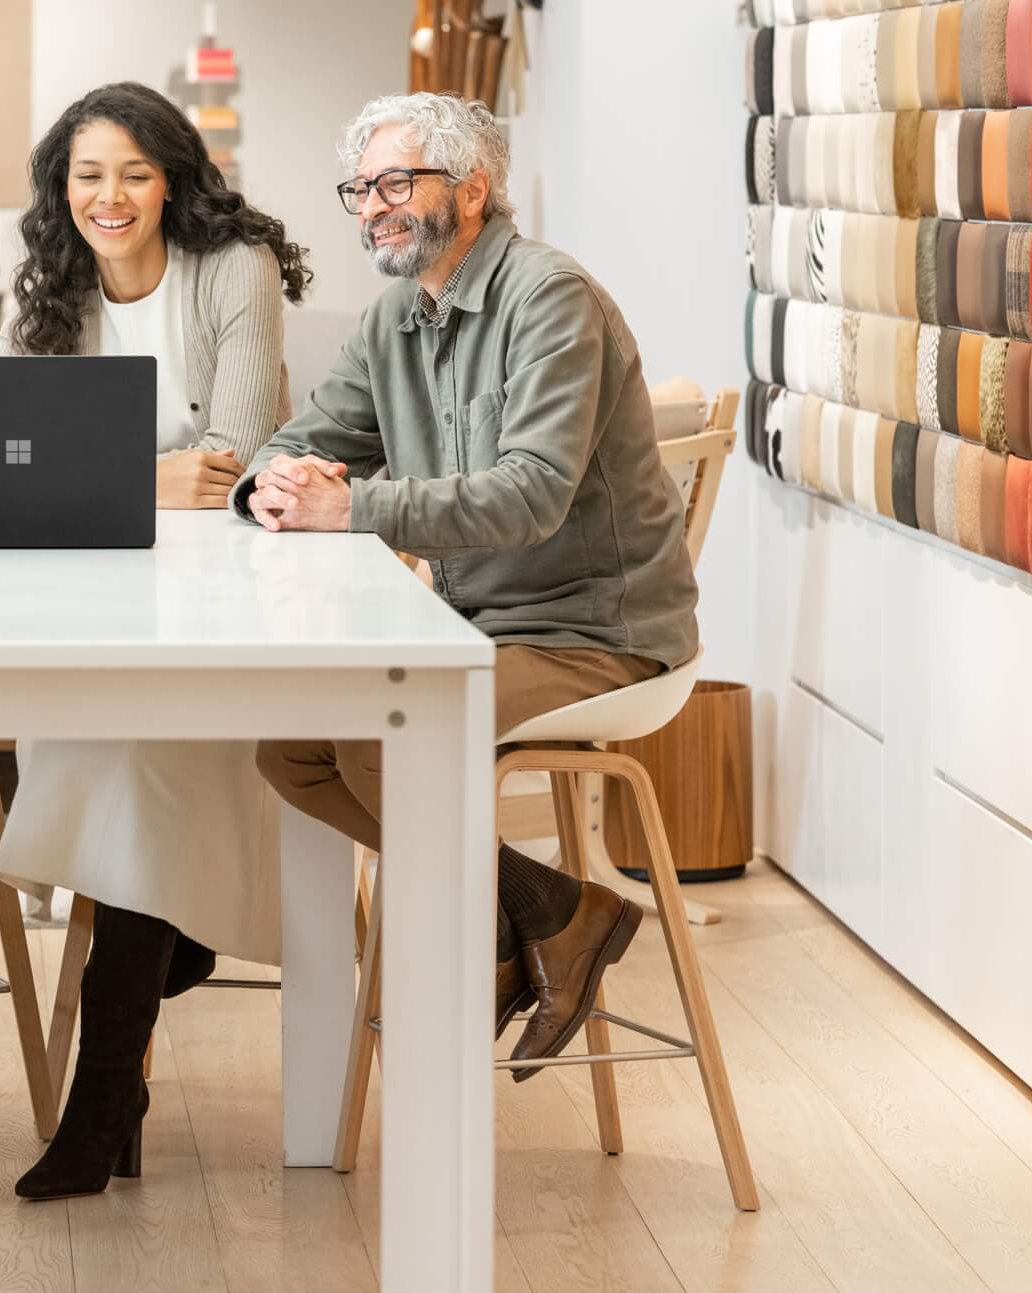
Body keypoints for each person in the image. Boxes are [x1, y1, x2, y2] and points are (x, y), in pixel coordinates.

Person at [240, 92, 699, 1083]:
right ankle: (555, 913)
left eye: (394, 182)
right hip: (468, 624)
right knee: (290, 748)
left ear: (474, 188)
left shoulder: (549, 298)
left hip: (595, 631)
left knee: (381, 737)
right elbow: (295, 444)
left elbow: (529, 497)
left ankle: (493, 947)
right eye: (359, 189)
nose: (370, 206)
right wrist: (267, 486)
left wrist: (348, 507)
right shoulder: (389, 321)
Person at [0, 81, 312, 1202]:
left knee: (139, 754)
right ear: (60, 189)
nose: (107, 196)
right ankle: (161, 966)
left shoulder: (233, 268)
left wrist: (92, 483)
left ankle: (99, 1099)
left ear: (170, 178)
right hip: (87, 604)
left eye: (131, 171)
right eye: (86, 174)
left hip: (225, 604)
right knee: (107, 747)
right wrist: (142, 481)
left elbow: (235, 460)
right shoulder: (45, 287)